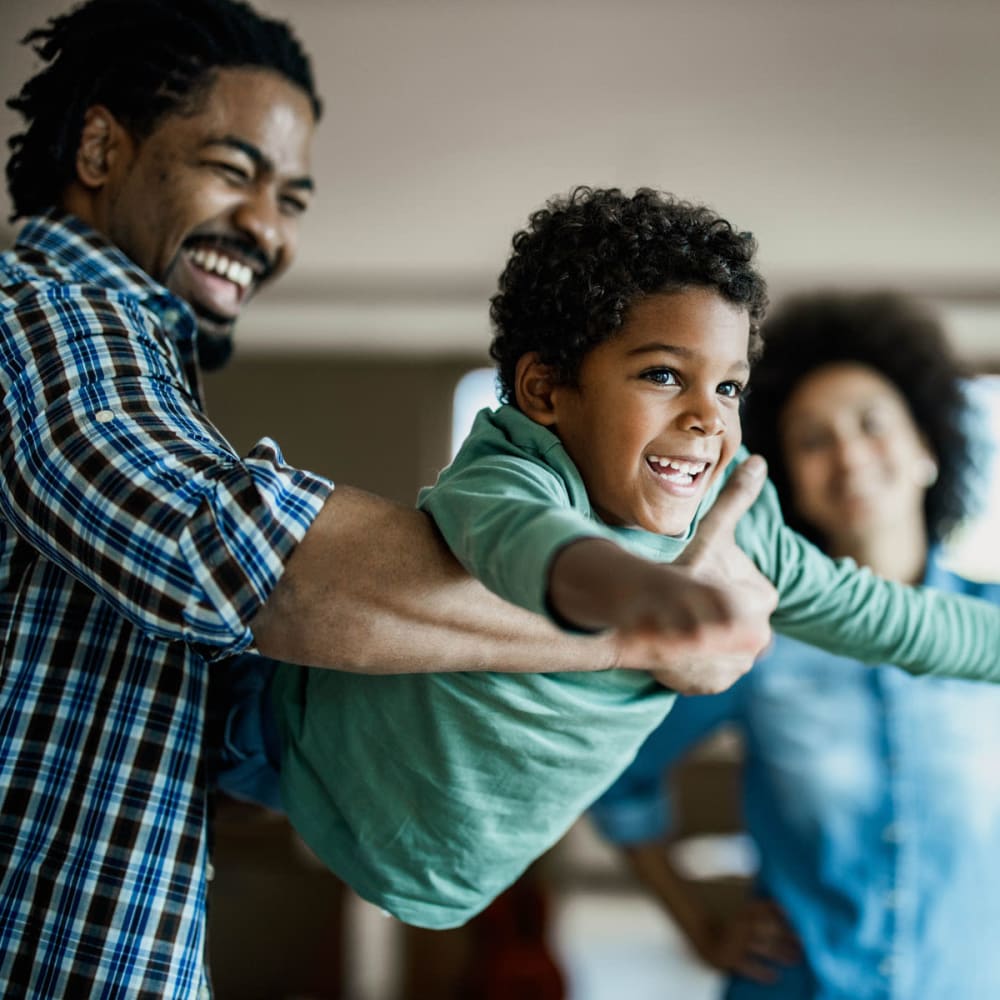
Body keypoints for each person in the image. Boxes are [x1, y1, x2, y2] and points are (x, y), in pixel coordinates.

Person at [0, 5, 777, 996]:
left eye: (292, 198)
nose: (268, 229)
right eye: (234, 172)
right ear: (102, 146)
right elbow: (226, 557)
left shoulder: (135, 365)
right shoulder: (44, 313)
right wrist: (647, 624)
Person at [251, 189, 1000, 934]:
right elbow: (528, 541)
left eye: (729, 385)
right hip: (297, 755)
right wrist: (638, 592)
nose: (708, 415)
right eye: (664, 375)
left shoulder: (741, 527)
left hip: (444, 875)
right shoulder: (515, 467)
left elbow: (900, 621)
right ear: (545, 390)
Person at [589, 290, 1000, 999]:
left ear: (928, 446)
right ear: (787, 483)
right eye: (813, 439)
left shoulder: (991, 628)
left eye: (872, 424)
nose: (847, 455)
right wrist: (698, 925)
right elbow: (620, 774)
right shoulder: (753, 633)